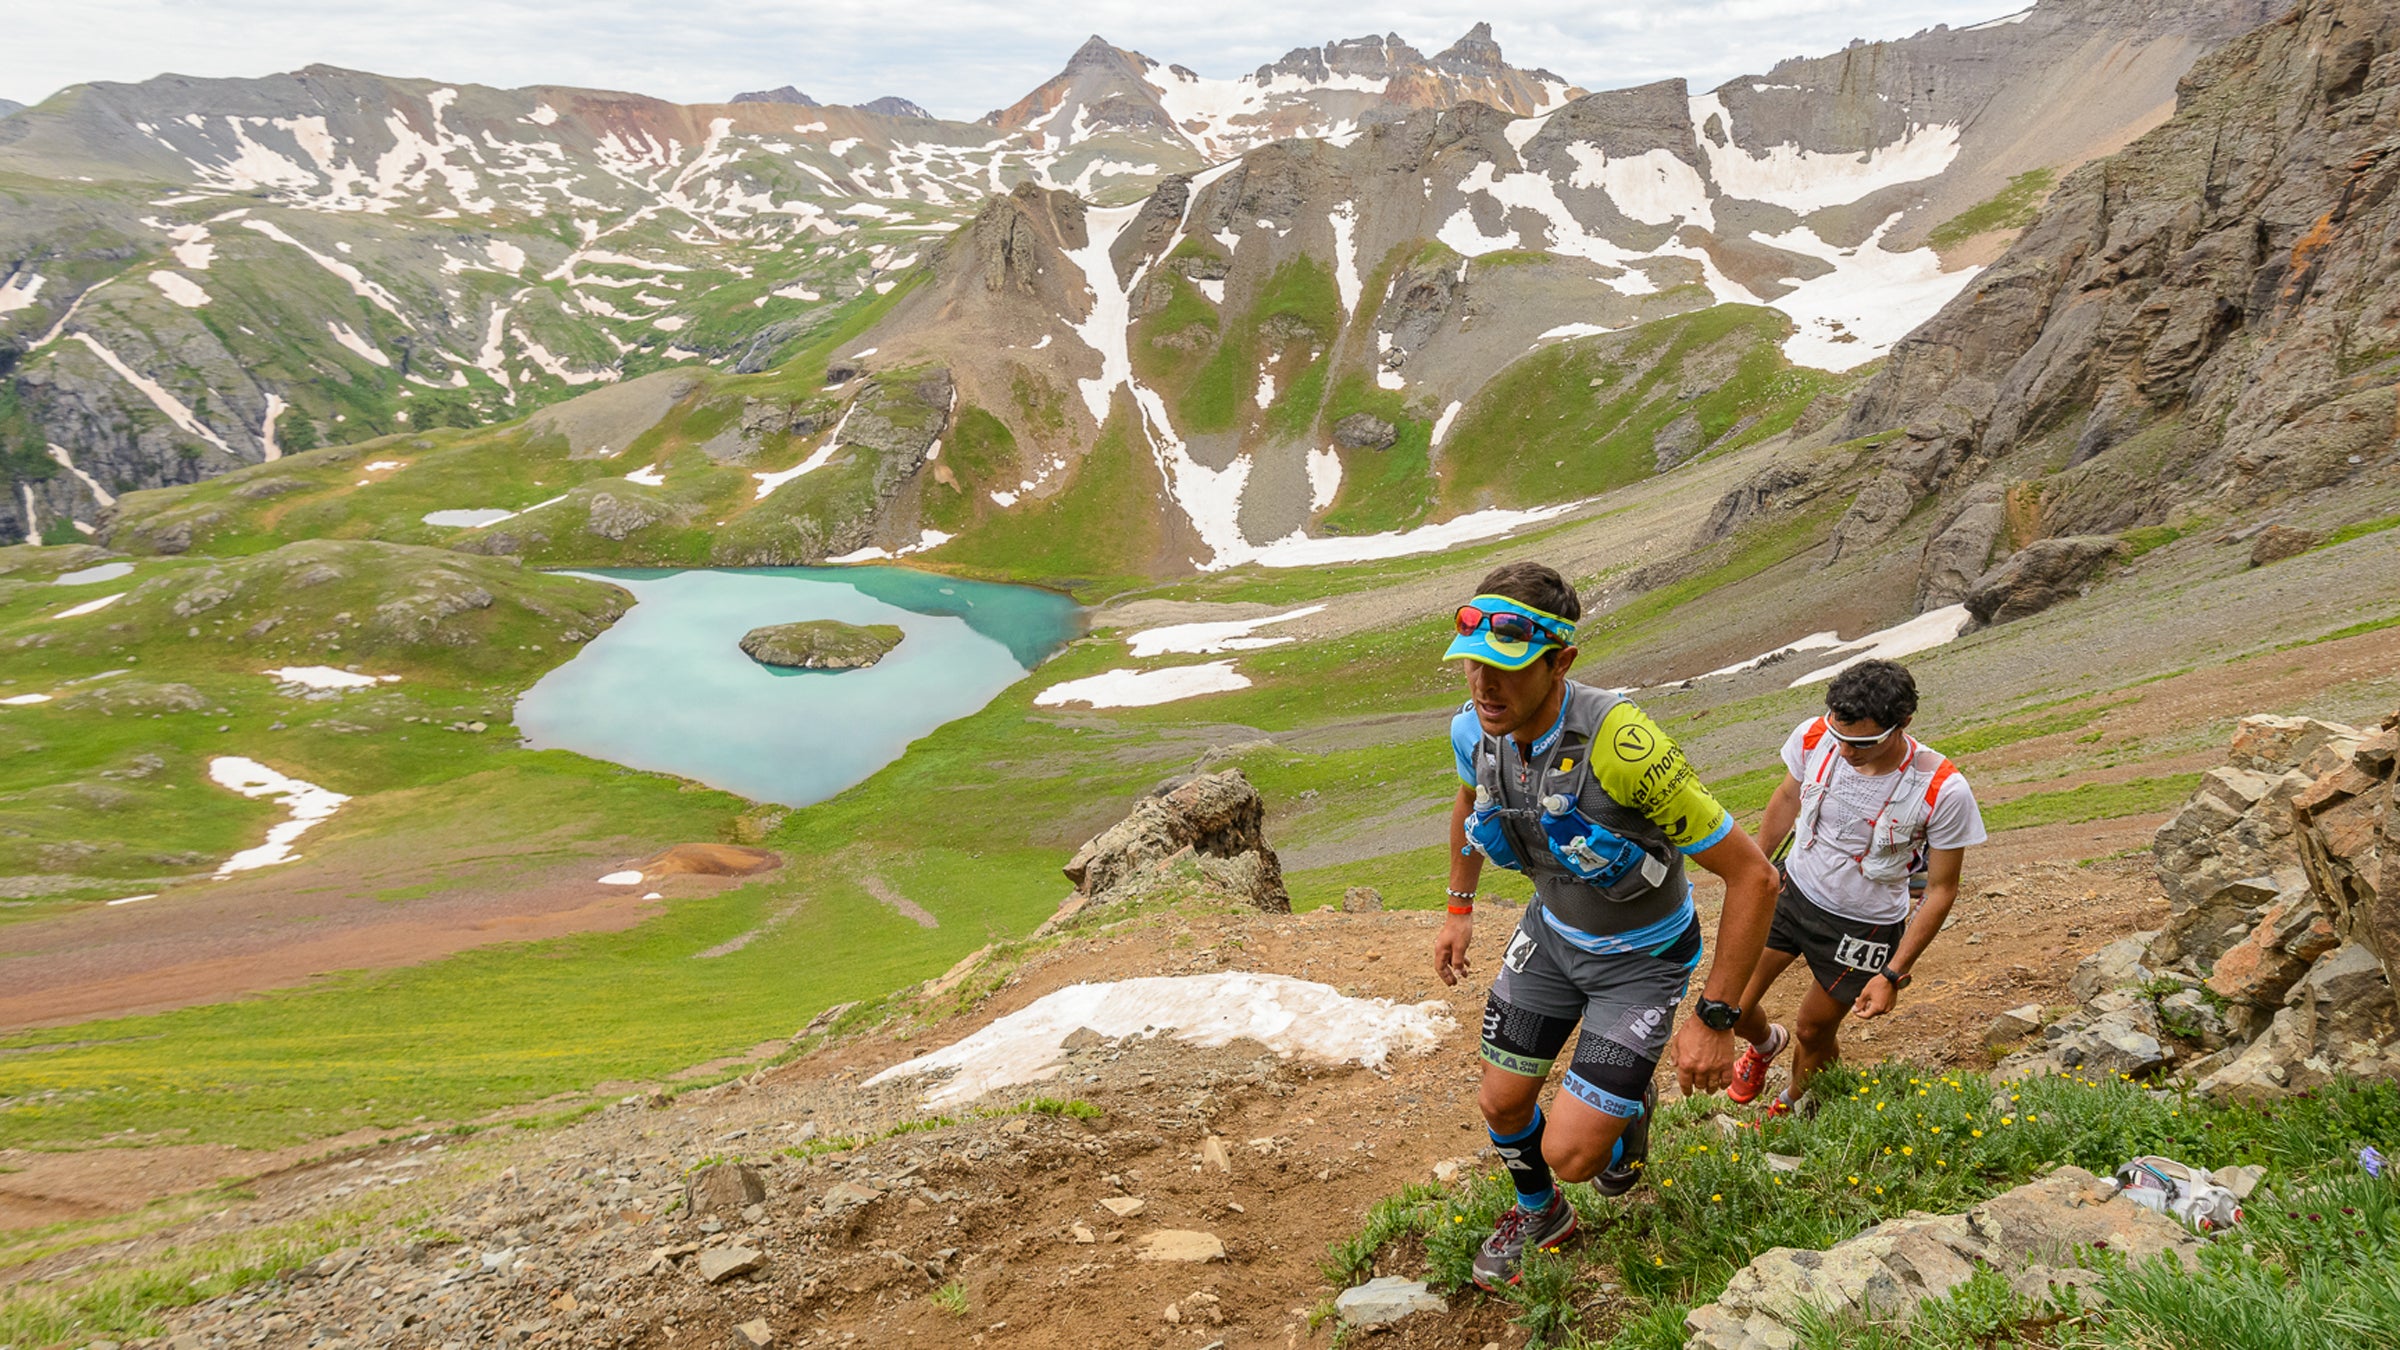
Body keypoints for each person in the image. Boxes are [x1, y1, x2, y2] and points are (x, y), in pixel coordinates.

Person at [1432, 562, 1779, 1289]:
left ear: (1561, 661)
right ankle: (1543, 1216)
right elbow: (1469, 804)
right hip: (1553, 936)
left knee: (1576, 1156)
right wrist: (1459, 907)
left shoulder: (1625, 746)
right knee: (1499, 1101)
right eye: (1472, 666)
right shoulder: (1474, 730)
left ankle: (1626, 1109)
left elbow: (1754, 875)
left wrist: (1714, 1017)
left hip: (1642, 960)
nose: (1484, 687)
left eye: (1507, 668)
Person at [1725, 659, 1987, 1115]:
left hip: (1862, 926)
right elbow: (1787, 797)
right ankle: (1765, 1045)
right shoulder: (1813, 736)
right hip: (1792, 891)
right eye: (1840, 736)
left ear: (1903, 723)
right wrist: (1756, 869)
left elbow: (1941, 889)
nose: (1846, 750)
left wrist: (1893, 974)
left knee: (1813, 1030)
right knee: (1732, 1007)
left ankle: (1791, 1106)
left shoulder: (1944, 789)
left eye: (1863, 741)